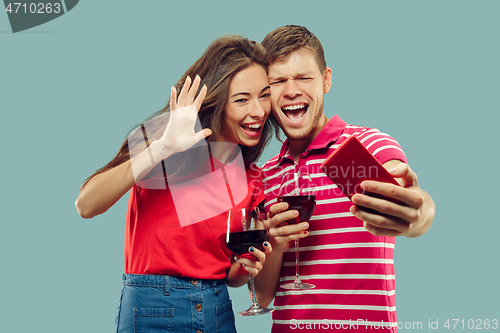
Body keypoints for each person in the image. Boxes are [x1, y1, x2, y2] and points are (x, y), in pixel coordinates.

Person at [75, 35, 278, 333]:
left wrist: (248, 266)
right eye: (242, 99)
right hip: (153, 307)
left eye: (264, 95)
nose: (259, 111)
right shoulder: (164, 144)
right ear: (217, 101)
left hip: (216, 307)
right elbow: (86, 205)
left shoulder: (251, 177)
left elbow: (231, 276)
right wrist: (161, 148)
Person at [254, 25, 436, 332]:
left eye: (303, 77)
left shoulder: (366, 147)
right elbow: (262, 294)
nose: (291, 90)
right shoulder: (266, 176)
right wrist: (275, 242)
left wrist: (418, 214)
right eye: (278, 81)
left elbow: (409, 200)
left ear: (326, 80)